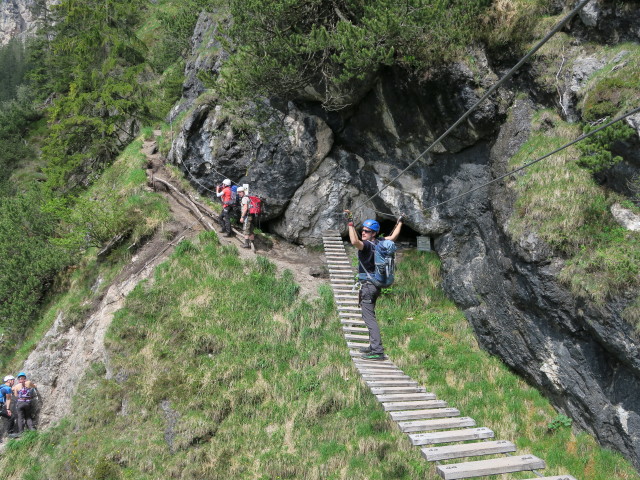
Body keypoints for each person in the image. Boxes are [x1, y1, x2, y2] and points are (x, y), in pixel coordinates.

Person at [345, 212, 403, 361]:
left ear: (374, 233)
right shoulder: (380, 243)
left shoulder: (365, 246)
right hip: (375, 286)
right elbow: (393, 237)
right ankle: (373, 346)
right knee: (370, 316)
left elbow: (353, 241)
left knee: (369, 318)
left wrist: (350, 223)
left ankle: (377, 350)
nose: (363, 233)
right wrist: (400, 222)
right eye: (363, 230)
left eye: (367, 231)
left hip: (368, 287)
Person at [0, 375, 15, 440]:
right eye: (13, 380)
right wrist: (8, 409)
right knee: (11, 417)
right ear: (9, 381)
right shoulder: (8, 388)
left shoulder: (1, 387)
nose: (14, 381)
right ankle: (9, 433)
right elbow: (8, 399)